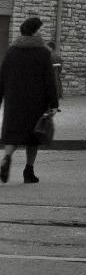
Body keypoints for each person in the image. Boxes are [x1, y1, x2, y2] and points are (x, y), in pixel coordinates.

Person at [0, 17, 59, 185]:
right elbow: (49, 80)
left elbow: (2, 77)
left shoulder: (11, 52)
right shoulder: (43, 52)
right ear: (34, 32)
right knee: (33, 137)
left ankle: (6, 158)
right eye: (39, 29)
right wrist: (54, 104)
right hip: (36, 102)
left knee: (13, 134)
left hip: (14, 101)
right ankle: (28, 171)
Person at [45, 40, 64, 108]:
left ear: (50, 47)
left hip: (49, 76)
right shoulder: (57, 56)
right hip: (56, 76)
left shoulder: (47, 55)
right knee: (56, 89)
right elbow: (60, 68)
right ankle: (56, 105)